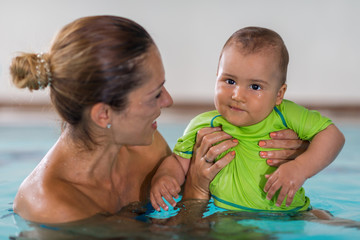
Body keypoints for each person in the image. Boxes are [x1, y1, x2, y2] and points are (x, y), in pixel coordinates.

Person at [10, 16, 309, 224]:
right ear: (104, 114)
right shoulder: (52, 206)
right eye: (155, 94)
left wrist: (285, 150)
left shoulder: (146, 147)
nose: (168, 101)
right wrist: (195, 191)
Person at [150, 27, 345, 213]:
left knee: (329, 220)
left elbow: (333, 136)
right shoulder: (203, 125)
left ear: (279, 94)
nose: (237, 95)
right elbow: (177, 161)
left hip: (292, 214)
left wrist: (301, 167)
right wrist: (164, 177)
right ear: (216, 77)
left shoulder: (285, 115)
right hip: (227, 217)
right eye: (230, 81)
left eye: (254, 86)